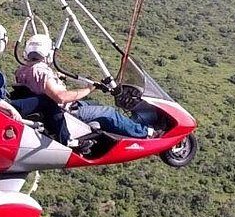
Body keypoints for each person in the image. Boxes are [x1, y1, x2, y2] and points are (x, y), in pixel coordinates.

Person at [14, 33, 155, 145]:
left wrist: (57, 79)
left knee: (95, 104)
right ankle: (147, 132)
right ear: (48, 52)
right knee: (109, 112)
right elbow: (60, 97)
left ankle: (121, 130)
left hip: (60, 109)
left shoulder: (23, 70)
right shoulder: (41, 71)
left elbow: (39, 87)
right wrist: (89, 88)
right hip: (65, 112)